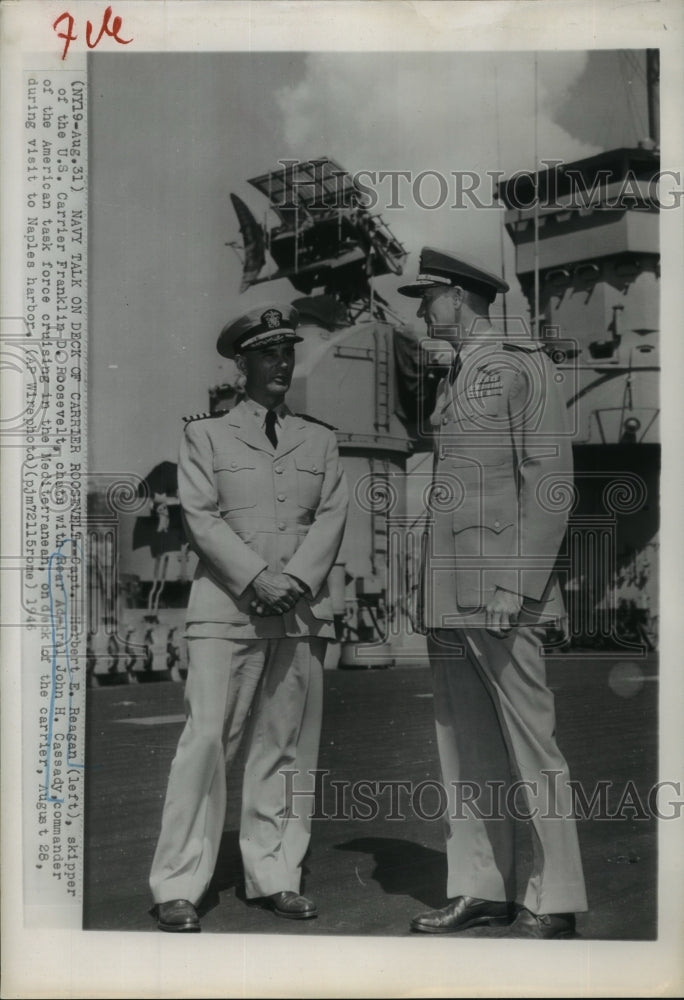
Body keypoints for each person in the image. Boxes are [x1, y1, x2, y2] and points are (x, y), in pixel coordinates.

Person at [398, 247, 587, 939]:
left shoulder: (522, 362)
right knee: (464, 745)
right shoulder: (463, 372)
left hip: (502, 592)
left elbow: (551, 481)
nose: (421, 310)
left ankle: (556, 895)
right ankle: (485, 887)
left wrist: (517, 582)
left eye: (428, 297)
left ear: (459, 296)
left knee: (533, 747)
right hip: (450, 597)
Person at [149, 303, 349, 931]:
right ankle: (178, 883)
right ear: (241, 364)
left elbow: (332, 515)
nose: (281, 363)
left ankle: (275, 873)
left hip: (296, 611)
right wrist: (256, 577)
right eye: (267, 353)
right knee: (207, 741)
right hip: (225, 611)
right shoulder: (204, 436)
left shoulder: (319, 438)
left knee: (285, 748)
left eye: (287, 351)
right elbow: (201, 516)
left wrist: (292, 580)